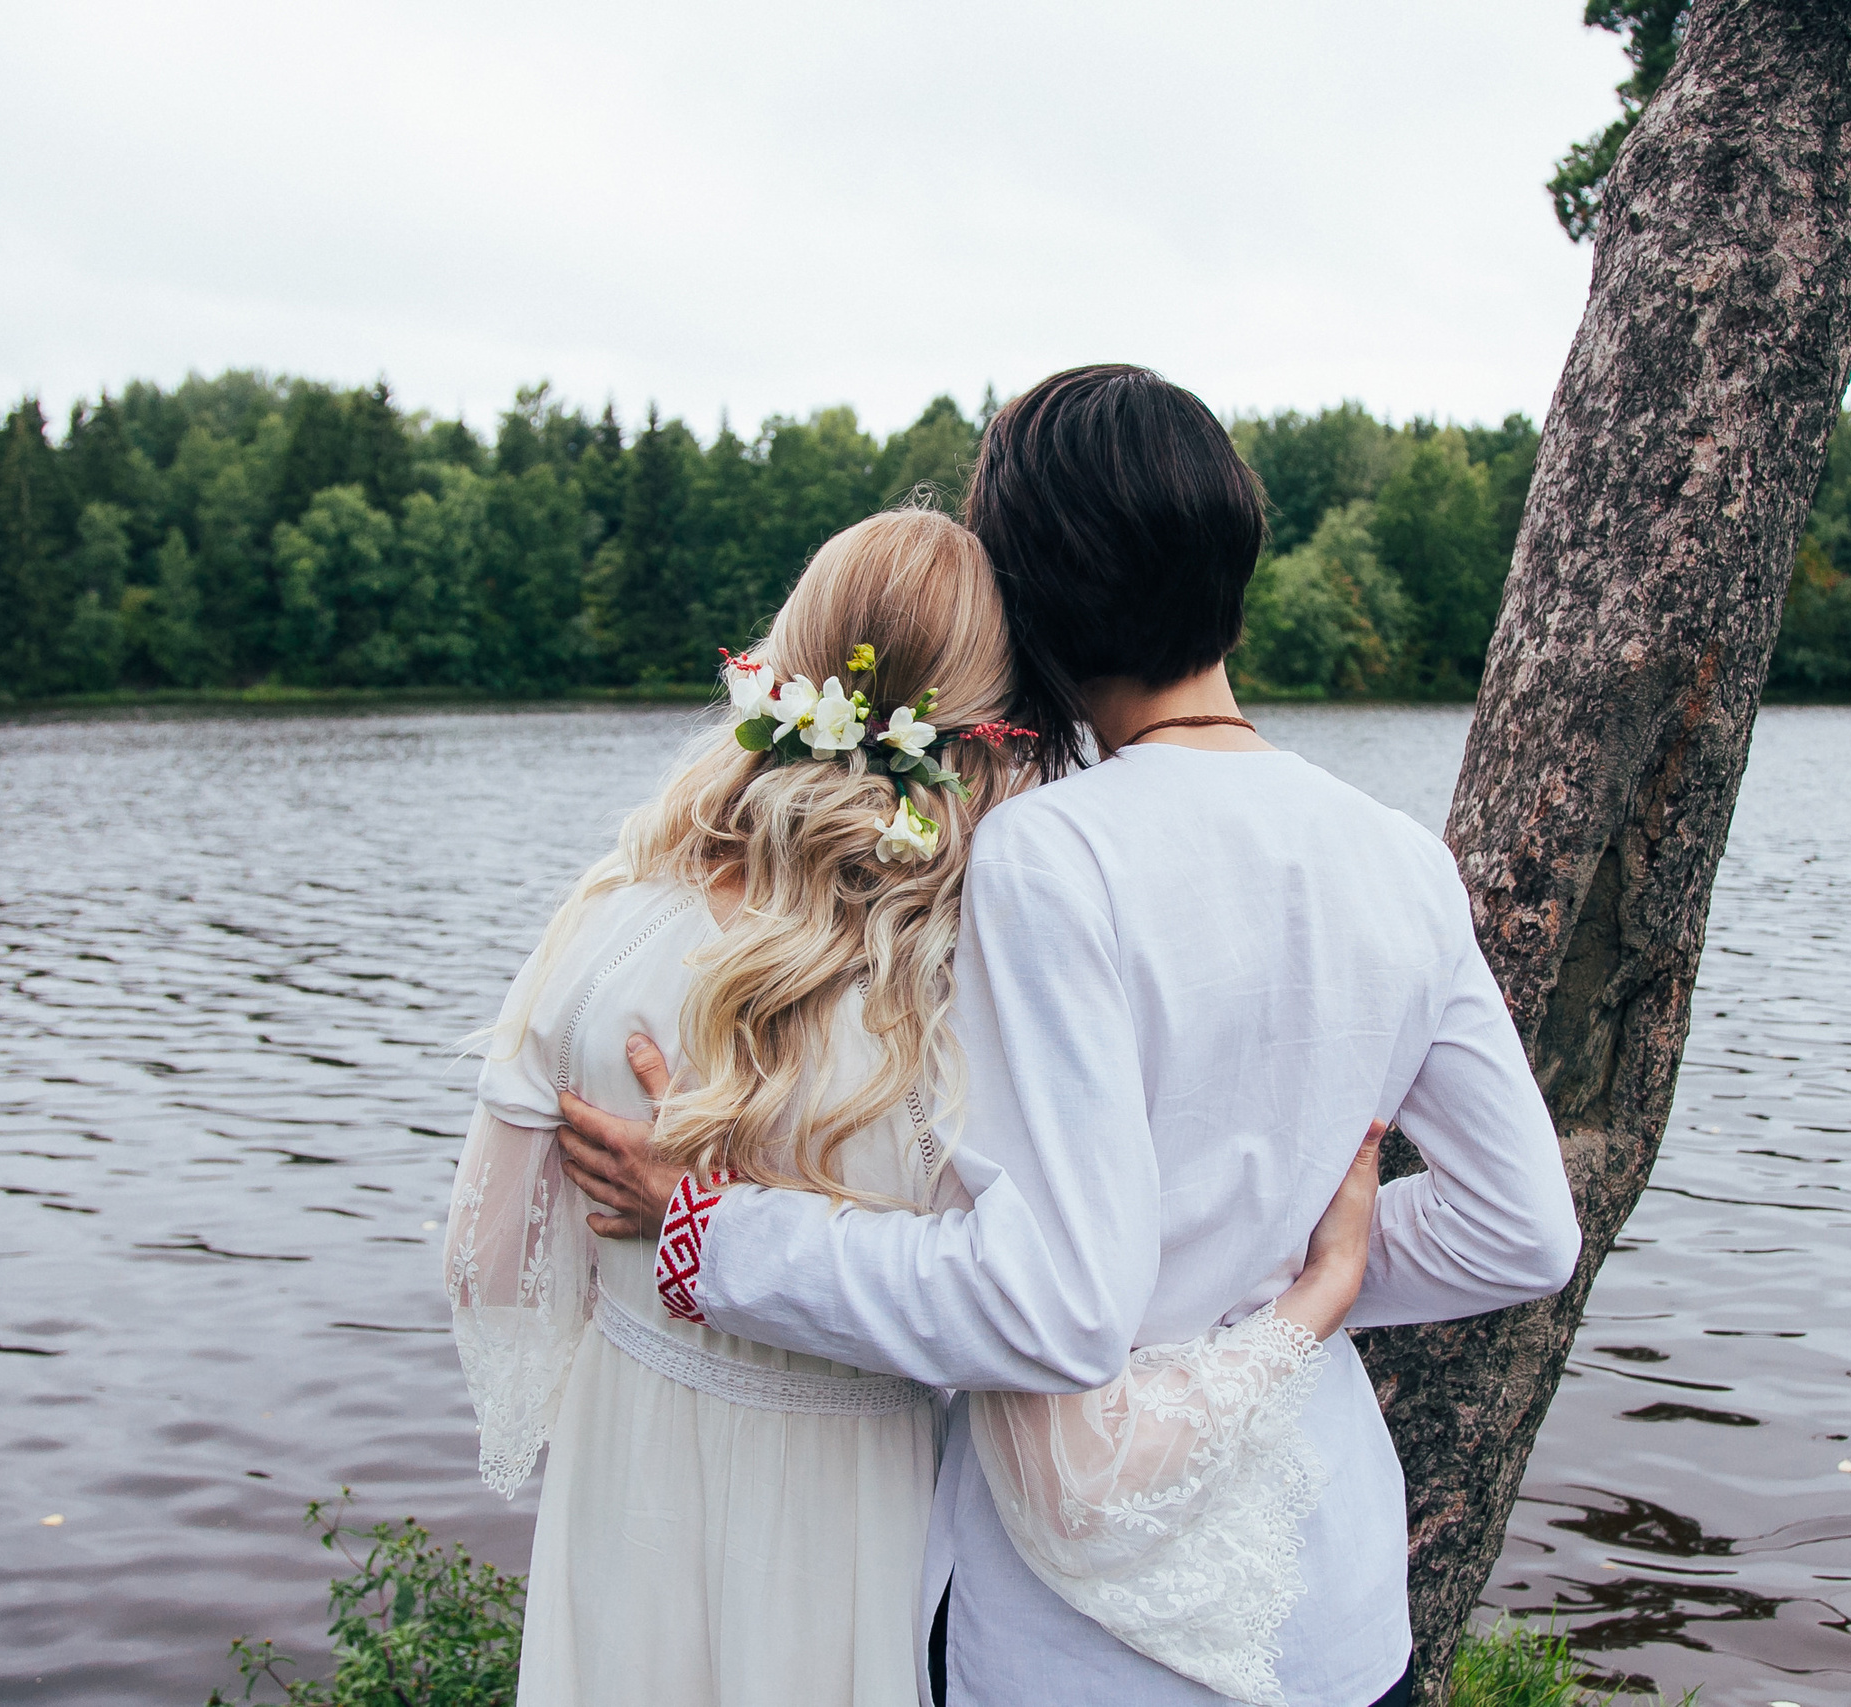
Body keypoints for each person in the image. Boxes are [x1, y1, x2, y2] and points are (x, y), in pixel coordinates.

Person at [558, 365, 1584, 1707]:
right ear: (1233, 565)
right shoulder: (1397, 856)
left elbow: (1053, 1307)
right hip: (1330, 1604)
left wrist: (714, 1240)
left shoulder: (1053, 854)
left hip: (1094, 1632)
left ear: (1029, 607)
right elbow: (1526, 1229)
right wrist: (1287, 1279)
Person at [444, 501, 1389, 1707]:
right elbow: (1029, 1323)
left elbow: (488, 1263)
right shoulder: (962, 984)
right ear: (998, 716)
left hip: (624, 1480)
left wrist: (645, 1320)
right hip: (852, 1511)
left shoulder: (607, 911)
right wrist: (1308, 1297)